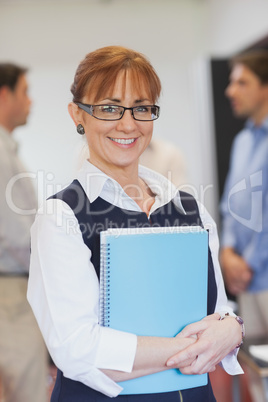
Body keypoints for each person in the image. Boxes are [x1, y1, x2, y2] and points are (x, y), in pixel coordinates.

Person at [27, 46, 243, 402]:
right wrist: (193, 346)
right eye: (109, 108)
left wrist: (234, 327)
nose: (128, 124)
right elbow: (77, 348)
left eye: (142, 108)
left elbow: (219, 312)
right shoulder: (61, 216)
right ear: (77, 115)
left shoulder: (191, 210)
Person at [0, 63, 48, 401]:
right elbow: (16, 235)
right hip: (12, 290)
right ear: (5, 94)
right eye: (25, 92)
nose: (30, 101)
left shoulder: (8, 149)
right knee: (26, 391)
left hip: (13, 286)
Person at [220, 49, 268, 339]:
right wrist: (226, 253)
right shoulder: (242, 141)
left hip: (256, 274)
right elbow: (230, 205)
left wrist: (246, 263)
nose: (230, 91)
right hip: (244, 282)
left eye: (241, 82)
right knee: (255, 377)